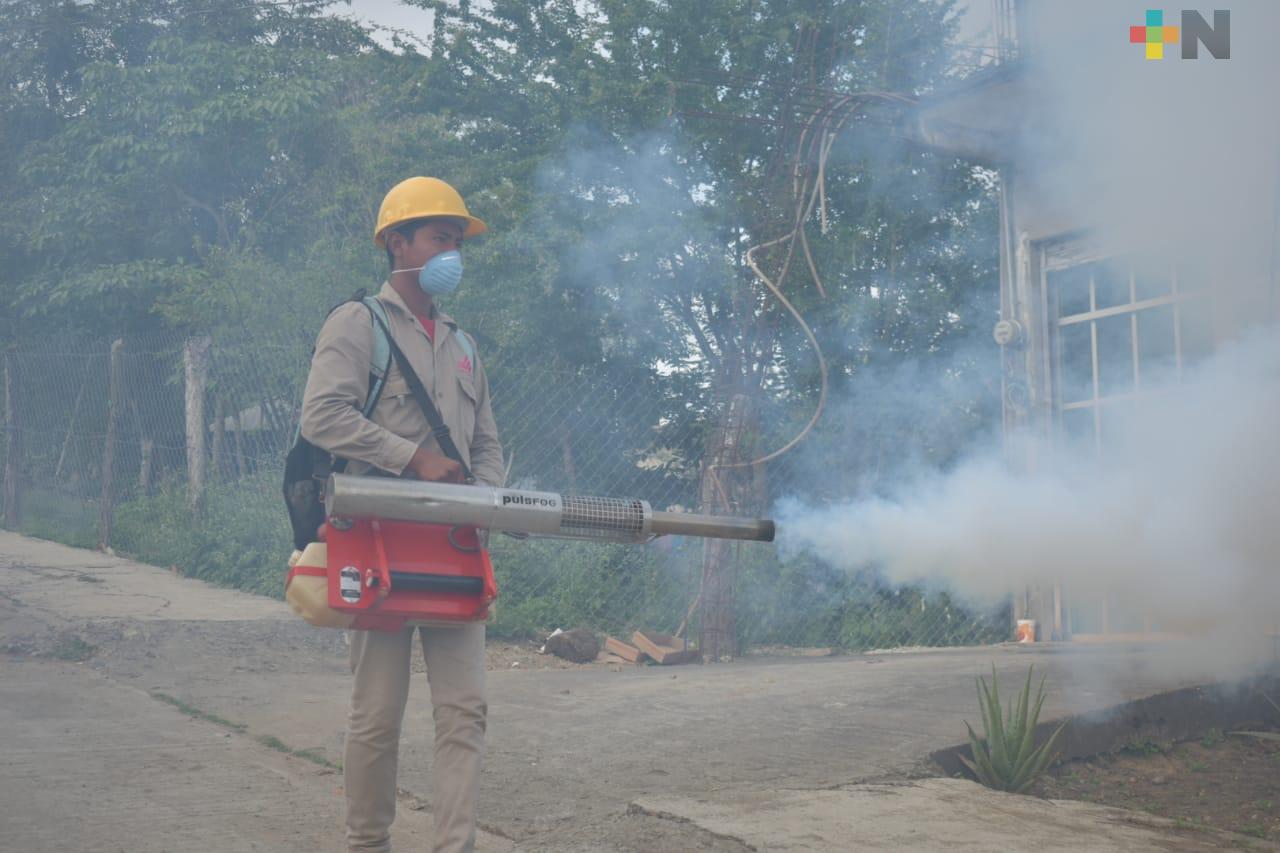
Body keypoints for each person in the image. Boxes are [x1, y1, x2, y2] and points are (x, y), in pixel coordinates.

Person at [300, 176, 504, 853]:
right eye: (440, 236)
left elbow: (486, 446)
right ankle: (367, 842)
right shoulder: (360, 323)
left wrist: (490, 505)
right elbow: (322, 416)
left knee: (465, 712)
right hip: (379, 545)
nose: (452, 249)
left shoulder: (464, 344)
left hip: (454, 547)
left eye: (456, 238)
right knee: (378, 715)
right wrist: (411, 456)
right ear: (397, 243)